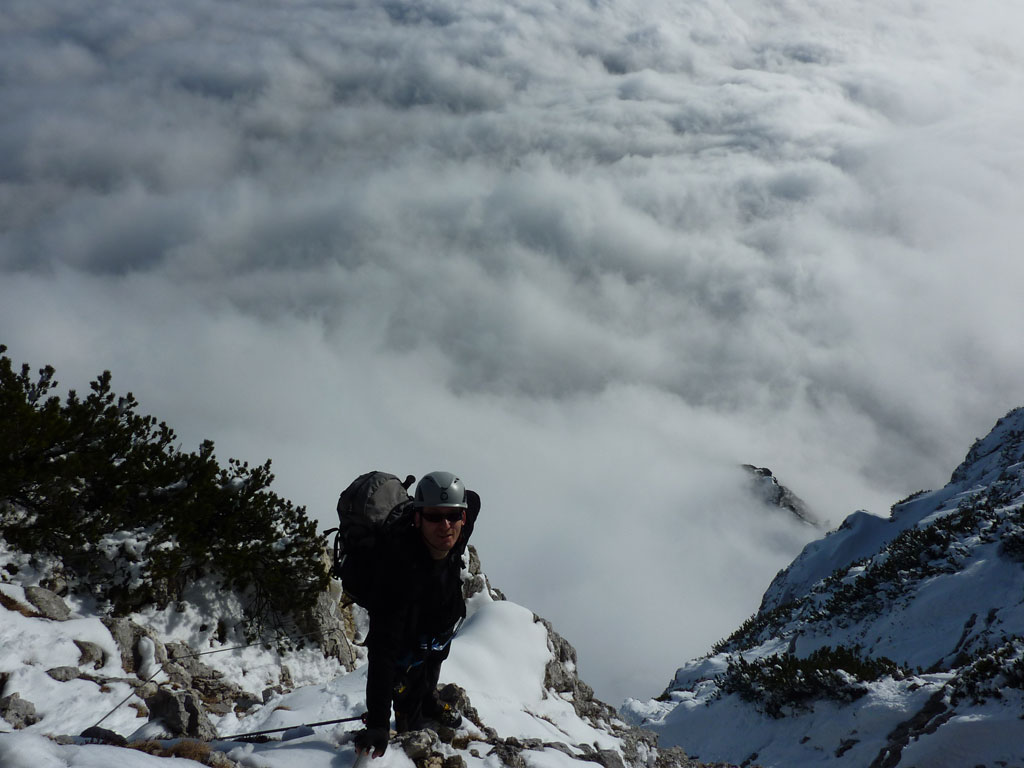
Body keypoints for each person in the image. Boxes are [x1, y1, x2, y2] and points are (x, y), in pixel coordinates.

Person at [354, 471, 480, 758]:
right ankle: (411, 721)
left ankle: (426, 698)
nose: (445, 525)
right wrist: (377, 724)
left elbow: (473, 499)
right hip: (407, 639)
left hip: (438, 630)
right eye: (435, 516)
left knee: (432, 664)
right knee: (407, 686)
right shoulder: (398, 573)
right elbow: (382, 653)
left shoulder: (457, 530)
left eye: (453, 515)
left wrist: (450, 500)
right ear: (417, 519)